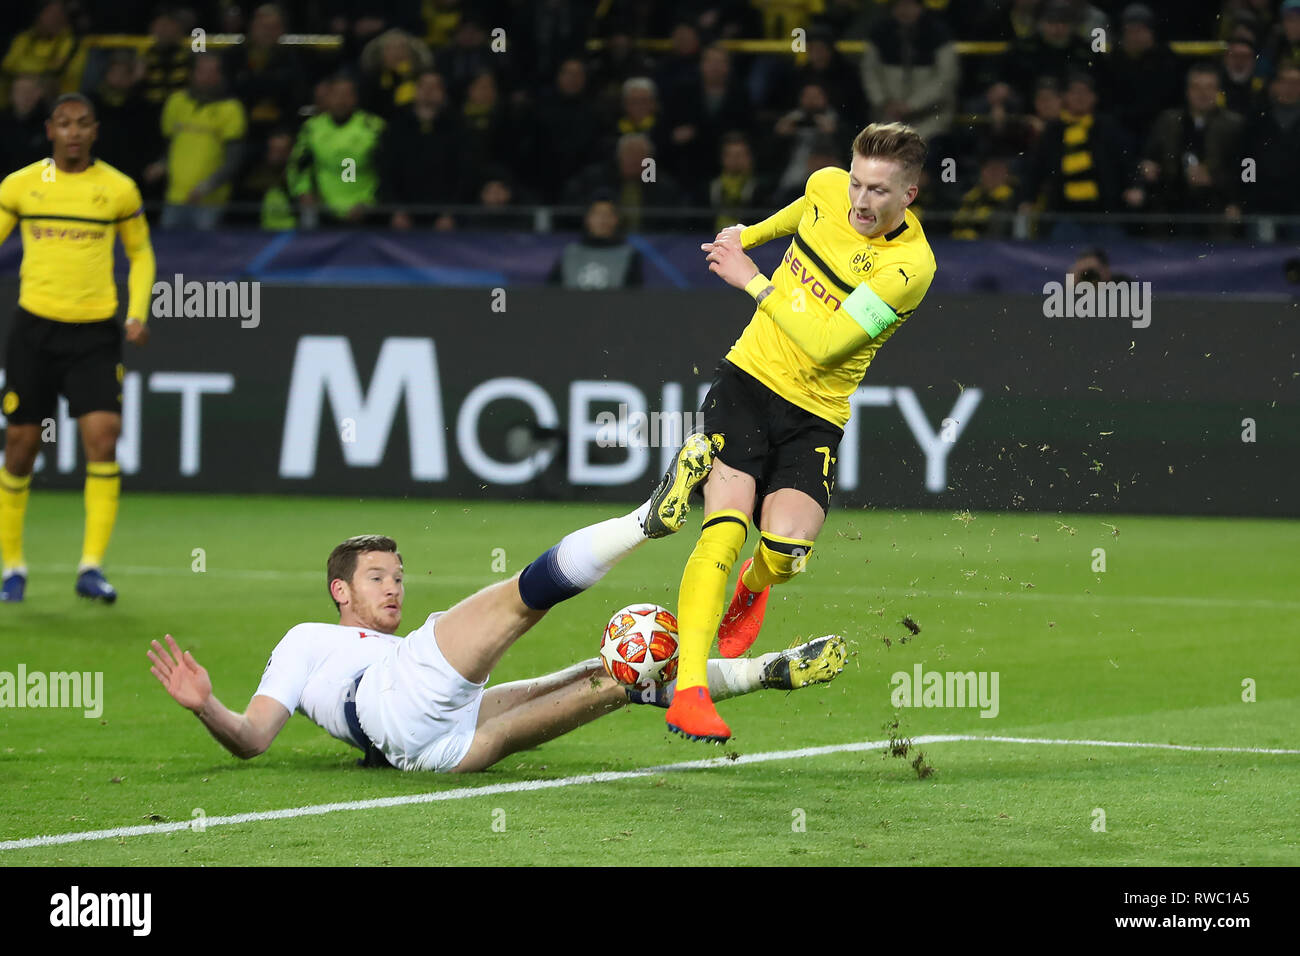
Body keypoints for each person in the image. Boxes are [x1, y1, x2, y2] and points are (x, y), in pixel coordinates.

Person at [148, 511, 847, 773]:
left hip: (431, 754)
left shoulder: (398, 648)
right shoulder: (304, 640)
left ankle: (767, 671)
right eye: (376, 578)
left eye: (398, 575)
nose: (393, 588)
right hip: (391, 706)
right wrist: (207, 705)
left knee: (614, 678)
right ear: (340, 592)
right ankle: (648, 518)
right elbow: (252, 738)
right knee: (521, 601)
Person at [649, 122, 936, 743]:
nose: (860, 201)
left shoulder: (908, 268)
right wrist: (746, 235)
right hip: (747, 382)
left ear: (909, 196)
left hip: (816, 414)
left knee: (786, 554)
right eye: (858, 183)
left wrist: (751, 277)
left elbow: (830, 345)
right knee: (722, 528)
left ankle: (754, 588)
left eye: (880, 192)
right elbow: (803, 210)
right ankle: (692, 691)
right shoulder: (827, 185)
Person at [0, 93, 156, 604]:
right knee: (21, 447)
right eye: (63, 124)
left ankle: (91, 567)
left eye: (82, 124)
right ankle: (11, 567)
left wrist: (137, 312)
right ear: (49, 130)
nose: (72, 132)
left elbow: (140, 253)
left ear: (94, 131)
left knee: (104, 437)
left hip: (94, 334)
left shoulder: (116, 189)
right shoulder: (21, 186)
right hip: (35, 330)